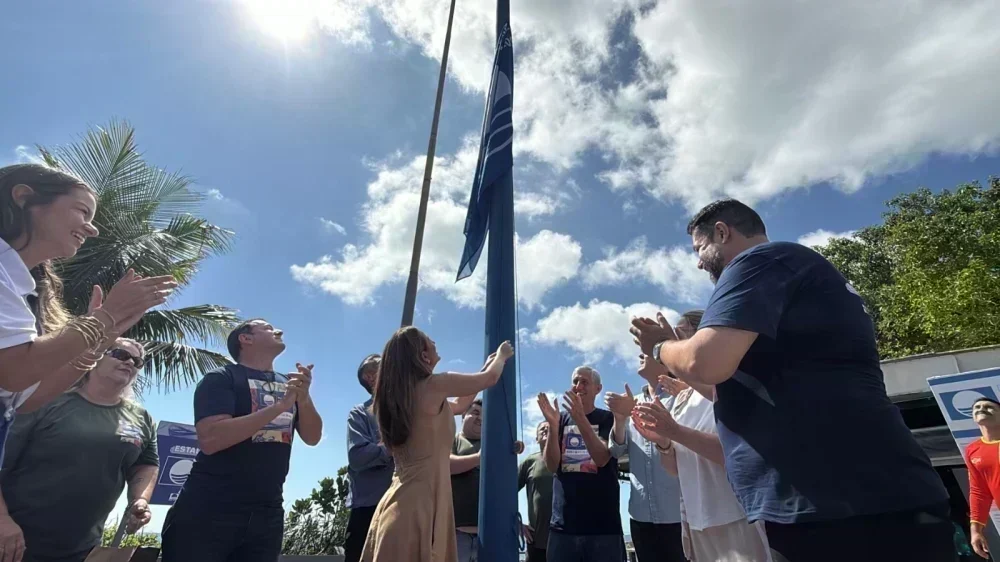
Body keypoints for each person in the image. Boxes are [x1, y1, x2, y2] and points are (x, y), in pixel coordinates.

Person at [629, 199, 955, 562]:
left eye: (699, 248)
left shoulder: (760, 261)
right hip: (843, 500)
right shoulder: (790, 276)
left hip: (843, 505)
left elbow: (705, 362)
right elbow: (725, 387)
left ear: (722, 232)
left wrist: (661, 347)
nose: (698, 261)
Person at [0, 164, 174, 560]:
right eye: (83, 212)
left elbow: (25, 395)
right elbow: (15, 370)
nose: (92, 229)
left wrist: (103, 337)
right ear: (24, 197)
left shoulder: (19, 288)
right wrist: (106, 319)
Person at [160, 319, 323, 562]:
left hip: (267, 513)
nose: (278, 330)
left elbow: (312, 437)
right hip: (208, 507)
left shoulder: (289, 386)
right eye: (267, 328)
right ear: (245, 338)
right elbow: (211, 438)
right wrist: (280, 407)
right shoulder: (221, 378)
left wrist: (304, 398)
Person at [628, 310, 771, 561]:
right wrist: (663, 441)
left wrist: (674, 431)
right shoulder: (682, 397)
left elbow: (739, 453)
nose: (673, 340)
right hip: (697, 523)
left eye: (679, 333)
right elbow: (675, 469)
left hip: (738, 517)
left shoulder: (728, 382)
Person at [362, 328, 512, 562]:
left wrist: (485, 368)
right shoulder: (435, 385)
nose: (434, 342)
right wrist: (502, 356)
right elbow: (490, 380)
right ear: (422, 355)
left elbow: (461, 405)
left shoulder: (403, 397)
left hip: (399, 503)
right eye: (429, 341)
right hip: (422, 505)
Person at [0, 338, 157, 562]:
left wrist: (139, 500)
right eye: (121, 355)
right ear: (95, 357)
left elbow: (146, 462)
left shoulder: (141, 417)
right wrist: (2, 520)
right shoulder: (45, 400)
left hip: (83, 548)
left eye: (137, 361)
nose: (130, 362)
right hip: (14, 539)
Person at [606, 314, 692, 562]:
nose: (642, 355)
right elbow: (617, 452)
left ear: (667, 363)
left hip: (680, 514)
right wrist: (620, 418)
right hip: (640, 517)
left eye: (652, 352)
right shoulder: (634, 403)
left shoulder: (683, 397)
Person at [536, 366, 624, 562]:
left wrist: (580, 419)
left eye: (584, 382)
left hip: (603, 528)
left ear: (598, 389)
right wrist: (552, 425)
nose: (578, 386)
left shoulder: (607, 418)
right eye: (575, 381)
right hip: (563, 527)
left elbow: (602, 458)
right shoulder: (560, 421)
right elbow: (552, 465)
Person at [450, 398, 525, 562]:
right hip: (455, 535)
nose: (480, 418)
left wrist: (511, 449)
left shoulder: (494, 444)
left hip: (491, 535)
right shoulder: (452, 439)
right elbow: (446, 465)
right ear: (464, 414)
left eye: (485, 416)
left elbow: (505, 484)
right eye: (475, 412)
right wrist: (479, 458)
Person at [345, 354, 394, 562]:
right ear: (370, 377)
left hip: (410, 508)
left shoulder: (414, 409)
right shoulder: (360, 414)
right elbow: (358, 457)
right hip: (369, 511)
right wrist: (396, 444)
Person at [965, 396, 1000, 559]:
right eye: (977, 407)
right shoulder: (973, 450)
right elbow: (979, 491)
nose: (981, 409)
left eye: (989, 407)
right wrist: (976, 531)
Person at [518, 422, 554, 562]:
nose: (545, 428)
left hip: (567, 539)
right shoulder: (530, 461)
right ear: (536, 439)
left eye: (550, 427)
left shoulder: (569, 459)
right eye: (542, 428)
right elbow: (506, 493)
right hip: (537, 540)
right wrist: (516, 522)